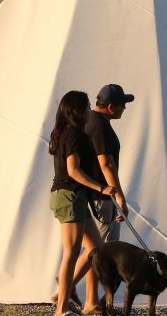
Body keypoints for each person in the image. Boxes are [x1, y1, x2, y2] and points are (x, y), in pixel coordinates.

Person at [50, 90, 118, 316]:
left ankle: (63, 292)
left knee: (95, 248)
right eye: (87, 107)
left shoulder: (65, 132)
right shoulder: (74, 135)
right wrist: (101, 188)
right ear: (78, 111)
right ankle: (61, 310)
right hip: (69, 196)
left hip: (74, 197)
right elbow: (73, 170)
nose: (90, 111)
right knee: (71, 252)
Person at [85, 83, 134, 242]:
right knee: (101, 250)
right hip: (102, 197)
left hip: (104, 196)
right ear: (111, 107)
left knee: (108, 251)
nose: (124, 108)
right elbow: (106, 164)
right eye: (123, 105)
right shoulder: (99, 126)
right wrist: (120, 197)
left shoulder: (96, 121)